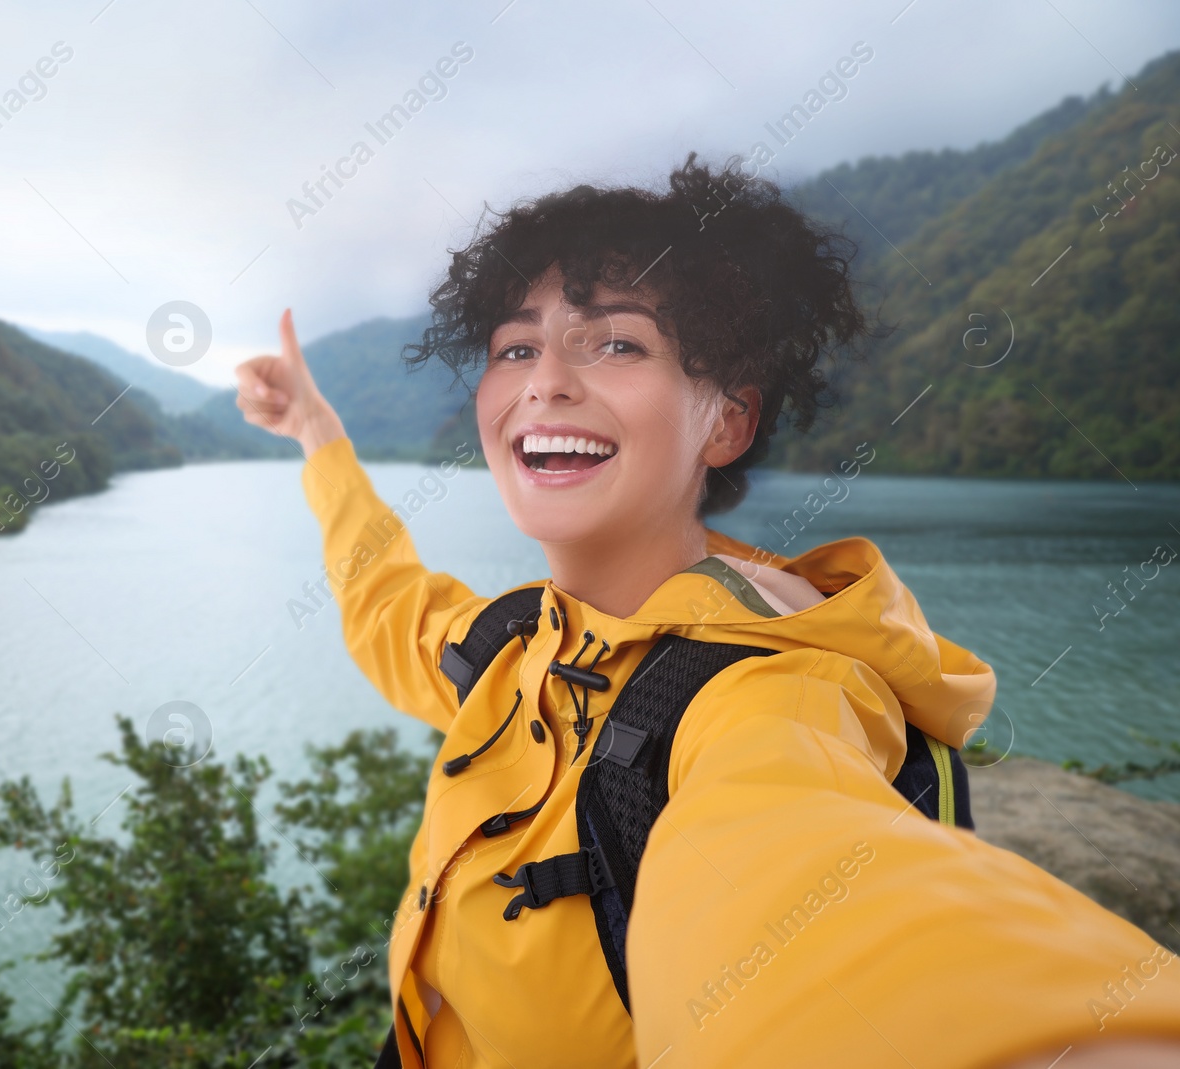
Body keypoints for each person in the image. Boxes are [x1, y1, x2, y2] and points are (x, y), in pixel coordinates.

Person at [234, 156, 1180, 1068]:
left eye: (617, 343)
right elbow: (386, 601)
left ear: (726, 419)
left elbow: (815, 884)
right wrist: (319, 431)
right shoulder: (521, 644)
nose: (544, 382)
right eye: (516, 346)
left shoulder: (767, 692)